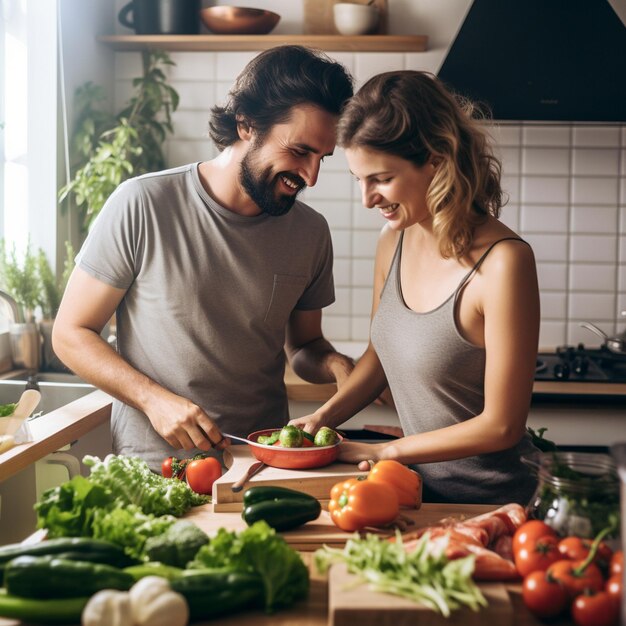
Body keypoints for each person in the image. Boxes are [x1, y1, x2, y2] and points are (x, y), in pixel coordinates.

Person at [53, 45, 355, 472]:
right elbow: (70, 333)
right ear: (247, 125)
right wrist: (152, 400)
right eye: (299, 151)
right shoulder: (143, 203)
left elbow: (303, 346)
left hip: (263, 466)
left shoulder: (310, 231)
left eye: (322, 158)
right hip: (157, 466)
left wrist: (334, 363)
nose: (310, 176)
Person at [290, 70, 541, 504]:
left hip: (492, 503)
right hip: (412, 492)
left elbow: (503, 425)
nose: (367, 199)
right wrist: (323, 418)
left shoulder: (505, 263)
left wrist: (386, 450)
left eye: (381, 179)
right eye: (358, 180)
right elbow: (379, 357)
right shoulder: (394, 241)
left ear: (437, 161)